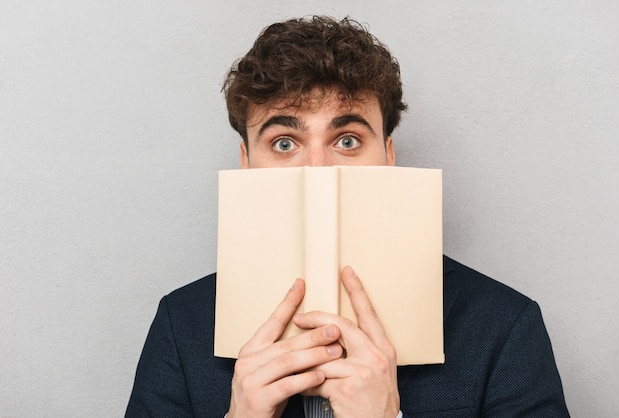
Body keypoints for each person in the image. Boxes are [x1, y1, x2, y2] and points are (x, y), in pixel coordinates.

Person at [126, 16, 568, 417]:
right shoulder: (181, 325)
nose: (318, 169)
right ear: (247, 162)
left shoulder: (503, 326)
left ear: (388, 155)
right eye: (283, 143)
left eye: (348, 140)